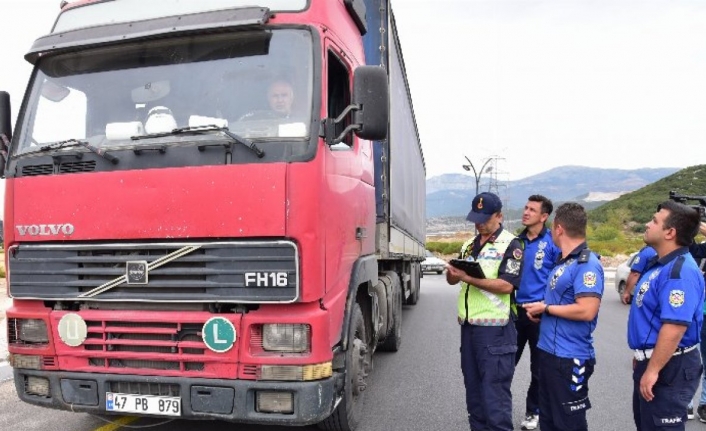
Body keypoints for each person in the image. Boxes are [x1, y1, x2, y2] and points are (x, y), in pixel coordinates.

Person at [445, 192, 524, 431]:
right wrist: (452, 272)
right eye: (475, 218)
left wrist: (467, 277)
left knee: (495, 399)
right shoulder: (469, 244)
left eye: (484, 218)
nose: (479, 223)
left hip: (496, 332)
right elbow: (453, 281)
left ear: (499, 216)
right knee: (475, 397)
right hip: (469, 329)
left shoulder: (512, 244)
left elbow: (506, 285)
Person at [524, 202, 604, 431]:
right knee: (548, 421)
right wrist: (543, 311)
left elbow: (587, 309)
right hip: (549, 354)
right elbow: (562, 304)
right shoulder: (564, 261)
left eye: (552, 229)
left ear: (558, 228)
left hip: (570, 359)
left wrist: (546, 309)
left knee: (569, 424)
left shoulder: (587, 264)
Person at [627, 201, 704, 431]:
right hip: (656, 360)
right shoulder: (660, 265)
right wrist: (642, 355)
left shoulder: (679, 272)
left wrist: (653, 369)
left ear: (670, 232)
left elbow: (674, 327)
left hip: (670, 366)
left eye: (654, 221)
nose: (648, 224)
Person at [515, 195, 561, 430]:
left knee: (539, 369)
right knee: (503, 365)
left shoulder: (554, 242)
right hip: (514, 313)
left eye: (532, 209)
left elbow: (562, 279)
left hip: (540, 314)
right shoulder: (516, 242)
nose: (526, 212)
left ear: (544, 216)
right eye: (525, 207)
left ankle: (533, 412)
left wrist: (546, 305)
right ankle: (497, 410)